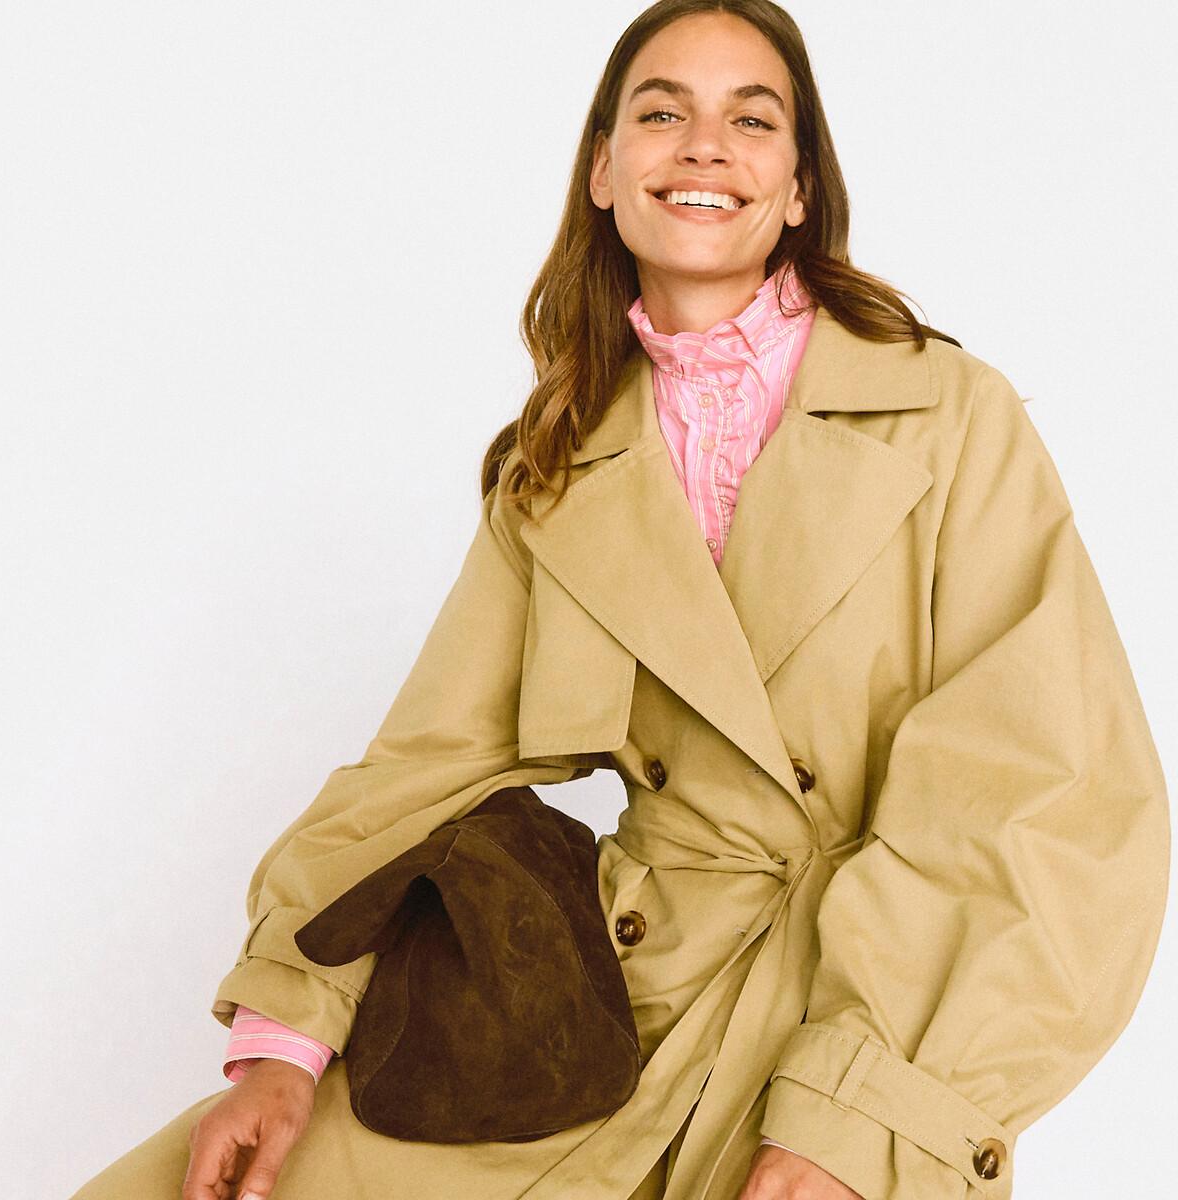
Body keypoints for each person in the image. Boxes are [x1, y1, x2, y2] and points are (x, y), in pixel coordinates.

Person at [70, 2, 1170, 1198]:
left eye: (753, 120)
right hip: (602, 1010)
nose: (705, 145)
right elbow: (432, 763)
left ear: (800, 188)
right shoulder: (556, 463)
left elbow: (1047, 790)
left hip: (865, 1013)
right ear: (603, 170)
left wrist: (865, 1121)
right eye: (662, 112)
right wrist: (284, 1038)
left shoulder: (950, 416)